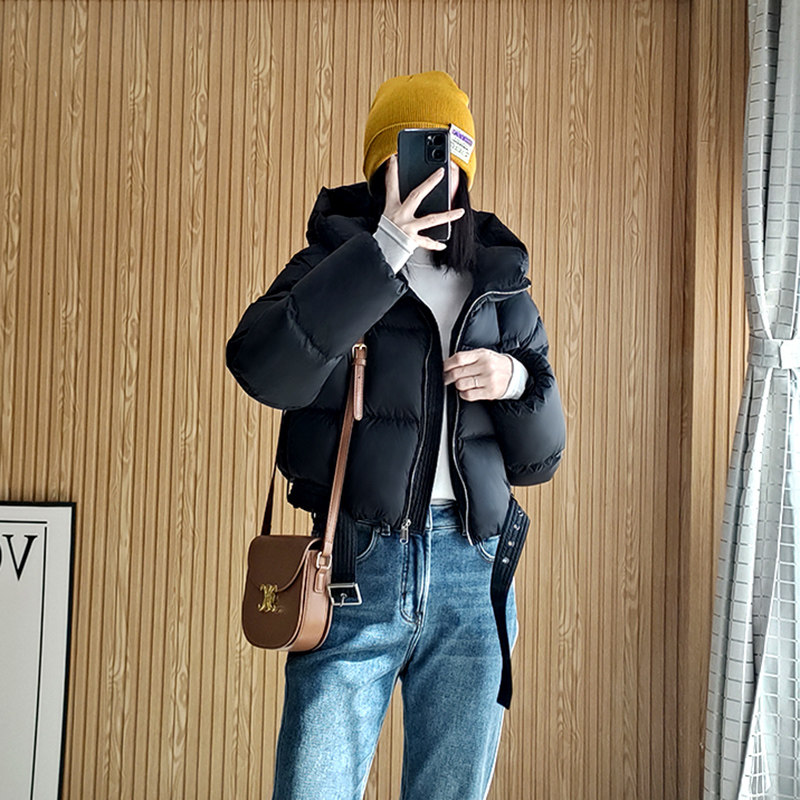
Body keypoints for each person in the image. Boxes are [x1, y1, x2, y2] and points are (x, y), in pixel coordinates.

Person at [226, 70, 566, 800]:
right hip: (356, 566)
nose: (432, 180)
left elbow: (541, 459)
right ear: (380, 166)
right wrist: (381, 253)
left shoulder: (500, 282)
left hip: (474, 573)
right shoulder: (333, 262)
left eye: (449, 162)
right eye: (411, 158)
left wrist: (513, 380)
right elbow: (261, 367)